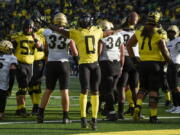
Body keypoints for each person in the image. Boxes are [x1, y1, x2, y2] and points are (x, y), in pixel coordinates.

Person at [46, 12, 114, 130]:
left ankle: (84, 118)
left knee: (85, 91)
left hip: (84, 65)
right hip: (95, 65)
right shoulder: (97, 30)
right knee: (95, 92)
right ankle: (94, 119)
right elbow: (109, 32)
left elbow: (62, 32)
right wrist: (121, 28)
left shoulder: (77, 33)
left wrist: (48, 25)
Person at [127, 11, 173, 123]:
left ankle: (137, 106)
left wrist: (134, 59)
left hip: (143, 64)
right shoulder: (159, 32)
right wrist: (170, 62)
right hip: (156, 64)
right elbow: (164, 50)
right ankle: (153, 116)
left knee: (143, 87)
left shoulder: (139, 30)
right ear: (157, 20)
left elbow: (129, 44)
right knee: (153, 90)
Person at [37, 12, 78, 124]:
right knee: (64, 91)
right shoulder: (68, 33)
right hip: (63, 63)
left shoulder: (47, 32)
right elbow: (74, 52)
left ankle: (40, 115)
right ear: (65, 22)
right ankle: (65, 117)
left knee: (48, 90)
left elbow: (45, 49)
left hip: (51, 63)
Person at [11, 19, 43, 116]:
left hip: (30, 64)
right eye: (27, 27)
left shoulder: (36, 37)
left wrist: (35, 38)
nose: (28, 29)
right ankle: (20, 109)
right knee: (23, 87)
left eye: (30, 28)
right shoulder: (18, 37)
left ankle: (25, 108)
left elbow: (40, 48)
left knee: (29, 86)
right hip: (20, 63)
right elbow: (11, 48)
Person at [98, 20, 125, 121]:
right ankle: (109, 109)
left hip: (106, 64)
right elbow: (122, 53)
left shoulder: (102, 38)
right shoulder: (119, 36)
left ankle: (112, 112)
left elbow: (99, 53)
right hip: (117, 64)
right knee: (113, 89)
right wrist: (121, 66)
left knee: (107, 90)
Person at [117, 11, 140, 118]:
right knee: (134, 88)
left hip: (125, 59)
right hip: (136, 59)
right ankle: (137, 111)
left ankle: (120, 112)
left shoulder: (119, 32)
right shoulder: (138, 32)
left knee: (121, 87)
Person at [28, 16, 47, 115]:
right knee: (29, 85)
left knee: (36, 83)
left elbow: (43, 47)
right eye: (33, 22)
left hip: (39, 59)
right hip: (29, 60)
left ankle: (36, 105)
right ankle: (34, 104)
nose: (34, 25)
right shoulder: (28, 31)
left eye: (36, 22)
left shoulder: (43, 32)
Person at [0, 40, 17, 119]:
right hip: (4, 81)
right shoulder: (12, 58)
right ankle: (1, 113)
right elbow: (12, 73)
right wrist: (10, 88)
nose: (11, 50)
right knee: (3, 98)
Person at [166, 25, 180, 114]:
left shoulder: (178, 40)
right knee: (171, 87)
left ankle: (179, 106)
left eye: (173, 32)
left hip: (177, 64)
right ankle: (175, 106)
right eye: (170, 32)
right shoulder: (169, 42)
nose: (171, 34)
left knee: (176, 87)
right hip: (170, 65)